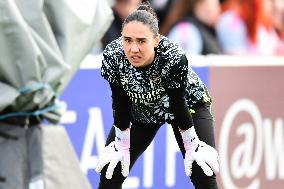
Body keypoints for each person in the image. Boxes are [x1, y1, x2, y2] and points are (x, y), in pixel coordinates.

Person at [95, 1, 219, 189]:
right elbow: (119, 101)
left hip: (188, 106)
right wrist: (120, 142)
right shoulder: (114, 54)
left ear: (156, 41)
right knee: (111, 172)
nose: (133, 49)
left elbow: (177, 102)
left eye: (141, 41)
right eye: (127, 40)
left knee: (202, 170)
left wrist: (192, 143)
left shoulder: (172, 55)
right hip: (143, 108)